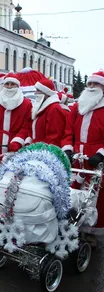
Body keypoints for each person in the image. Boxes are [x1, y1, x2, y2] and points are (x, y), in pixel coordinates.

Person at [62, 70, 104, 240]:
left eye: (96, 84)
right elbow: (67, 130)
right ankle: (73, 225)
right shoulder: (77, 107)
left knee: (96, 195)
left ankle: (92, 231)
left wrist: (101, 154)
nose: (92, 87)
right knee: (73, 191)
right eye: (89, 84)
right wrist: (67, 148)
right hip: (77, 158)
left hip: (96, 158)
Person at [0, 73, 32, 154]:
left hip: (15, 144)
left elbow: (26, 126)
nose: (9, 86)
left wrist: (18, 141)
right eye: (7, 84)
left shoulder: (26, 103)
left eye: (12, 84)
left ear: (17, 86)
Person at [26, 79, 66, 147]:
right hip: (38, 149)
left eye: (38, 91)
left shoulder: (54, 109)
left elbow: (54, 135)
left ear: (46, 92)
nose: (36, 93)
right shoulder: (42, 107)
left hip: (46, 152)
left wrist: (49, 151)